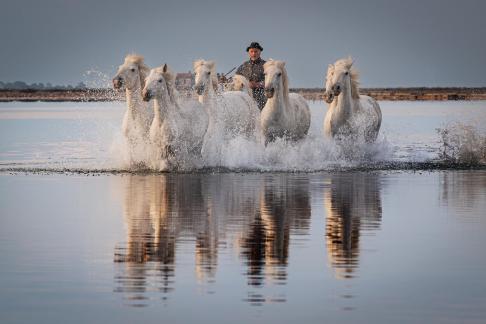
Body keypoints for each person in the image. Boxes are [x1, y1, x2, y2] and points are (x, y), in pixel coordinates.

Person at [235, 42, 266, 110]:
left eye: (256, 51)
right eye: (251, 51)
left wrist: (257, 84)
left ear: (260, 52)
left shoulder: (266, 65)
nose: (253, 54)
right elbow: (236, 79)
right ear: (249, 52)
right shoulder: (244, 66)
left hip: (261, 98)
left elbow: (270, 81)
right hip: (245, 99)